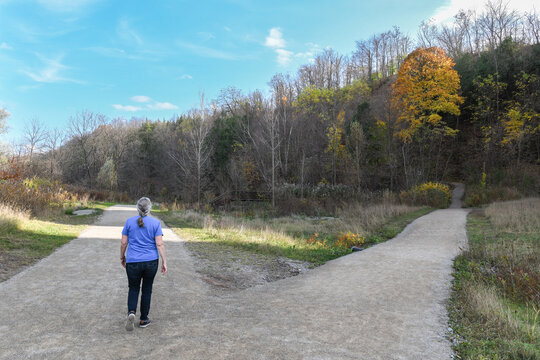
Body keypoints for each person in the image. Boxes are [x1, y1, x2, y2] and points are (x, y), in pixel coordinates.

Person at [120, 197, 167, 331]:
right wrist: (164, 261)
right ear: (150, 208)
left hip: (133, 262)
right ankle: (143, 319)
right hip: (150, 262)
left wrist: (122, 257)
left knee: (133, 288)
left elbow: (123, 243)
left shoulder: (129, 222)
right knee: (147, 289)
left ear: (137, 208)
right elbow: (159, 243)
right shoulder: (155, 223)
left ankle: (131, 313)